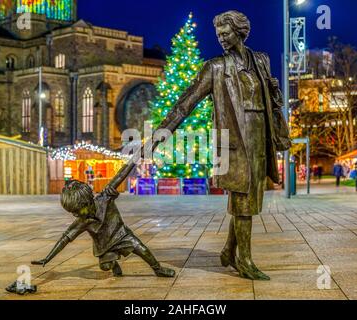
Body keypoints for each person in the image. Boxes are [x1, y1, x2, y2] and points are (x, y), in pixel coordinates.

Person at [155, 11, 291, 280]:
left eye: (226, 33)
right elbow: (187, 100)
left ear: (240, 32)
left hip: (260, 135)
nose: (221, 38)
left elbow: (273, 101)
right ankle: (245, 260)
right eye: (218, 34)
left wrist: (275, 92)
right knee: (243, 200)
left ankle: (229, 250)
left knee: (249, 199)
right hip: (235, 141)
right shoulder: (216, 67)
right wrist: (164, 130)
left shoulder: (261, 61)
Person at [31, 180, 175, 278]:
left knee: (142, 249)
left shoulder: (105, 198)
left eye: (78, 210)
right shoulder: (82, 221)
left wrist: (114, 192)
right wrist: (47, 258)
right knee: (106, 266)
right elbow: (65, 239)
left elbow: (121, 174)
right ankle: (113, 263)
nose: (75, 214)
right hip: (104, 245)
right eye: (72, 212)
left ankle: (158, 269)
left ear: (87, 202)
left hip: (121, 234)